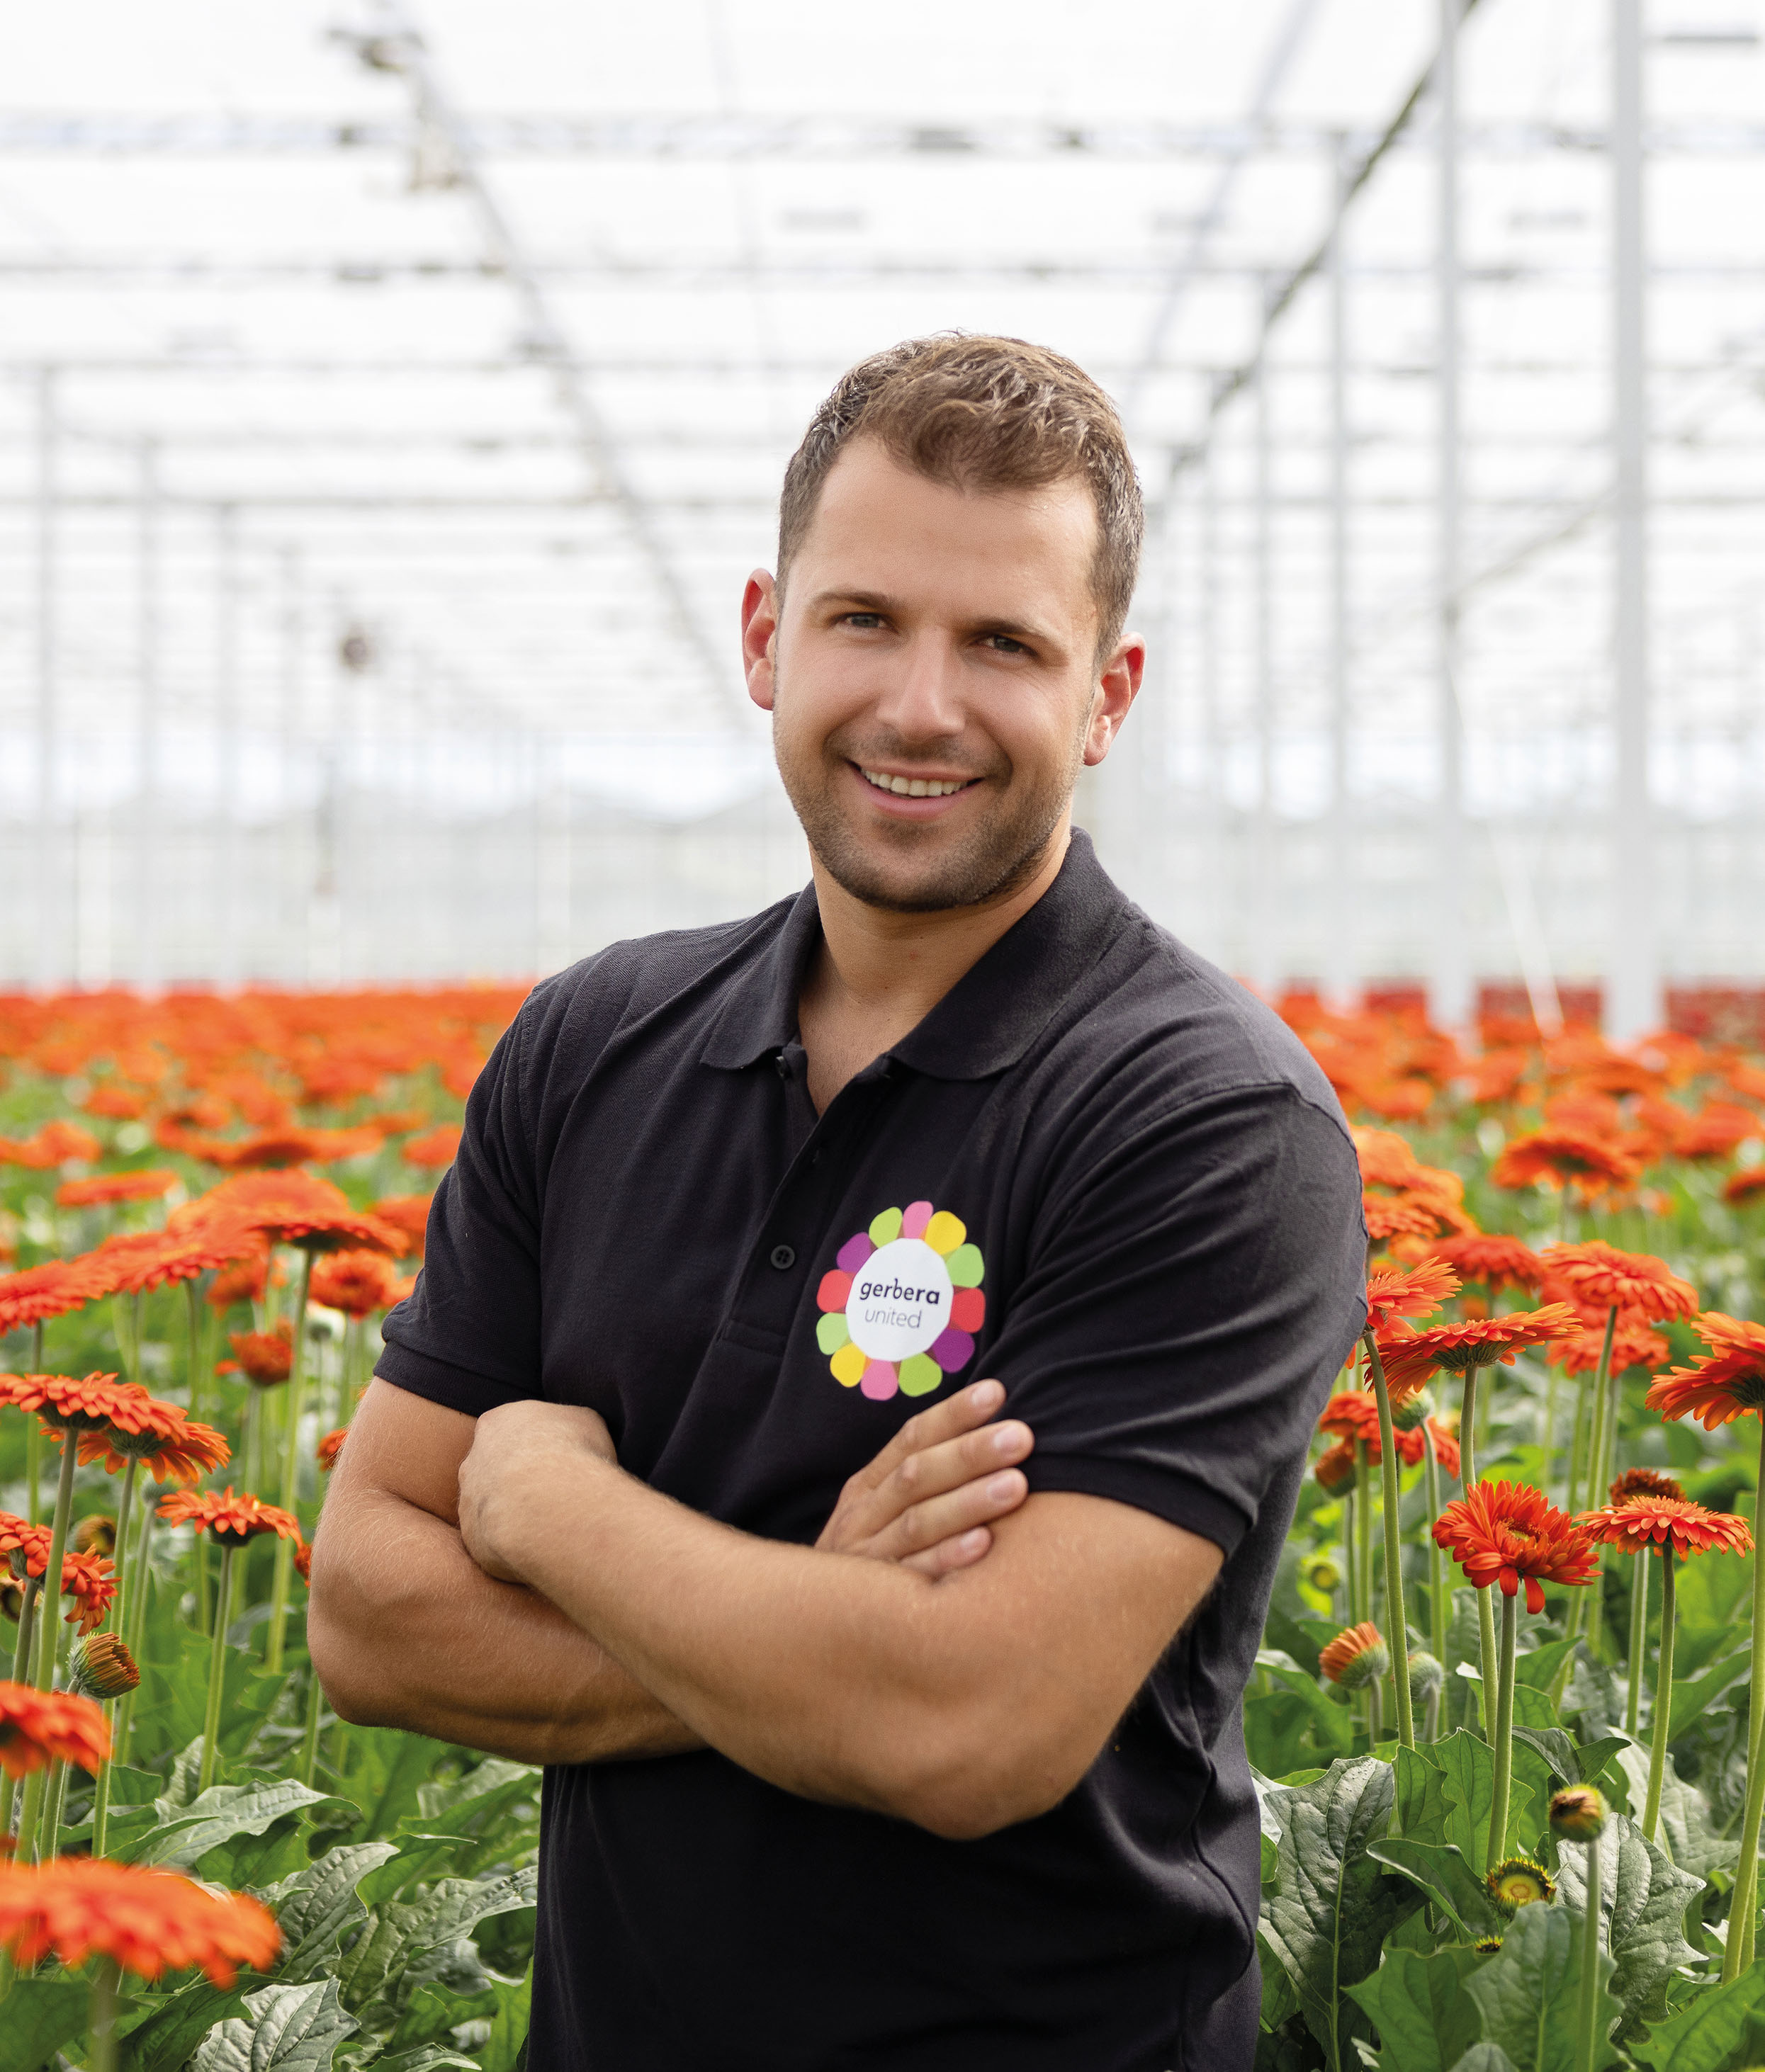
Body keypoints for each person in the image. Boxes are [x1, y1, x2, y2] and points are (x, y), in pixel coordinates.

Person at [310, 333, 1366, 2072]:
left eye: (1005, 644)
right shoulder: (590, 1046)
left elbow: (968, 1723)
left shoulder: (1207, 1121)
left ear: (1108, 694)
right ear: (763, 636)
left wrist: (546, 1499)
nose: (921, 703)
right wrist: (818, 1619)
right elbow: (362, 1606)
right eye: (864, 618)